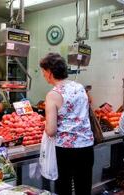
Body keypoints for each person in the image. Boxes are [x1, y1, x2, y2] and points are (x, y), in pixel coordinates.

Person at [40, 53, 94, 195]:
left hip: (66, 149)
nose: (43, 75)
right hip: (86, 146)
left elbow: (51, 130)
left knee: (64, 188)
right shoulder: (80, 87)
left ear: (50, 72)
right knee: (83, 187)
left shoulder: (53, 94)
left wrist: (45, 124)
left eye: (44, 71)